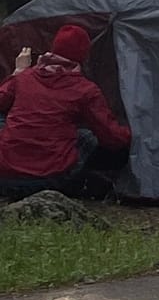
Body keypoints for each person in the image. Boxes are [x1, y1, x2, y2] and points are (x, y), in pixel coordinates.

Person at [0, 22, 132, 201]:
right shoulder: (85, 90)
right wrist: (136, 136)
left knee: (5, 122)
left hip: (6, 175)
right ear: (84, 56)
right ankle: (85, 184)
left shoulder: (25, 78)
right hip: (50, 179)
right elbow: (112, 138)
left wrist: (19, 71)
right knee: (87, 139)